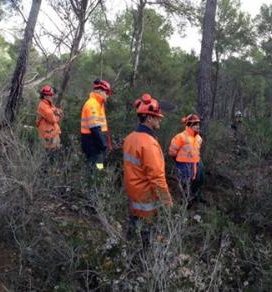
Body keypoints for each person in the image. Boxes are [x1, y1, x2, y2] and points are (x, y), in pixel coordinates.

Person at [122, 93, 173, 243]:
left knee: (132, 236)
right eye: (158, 117)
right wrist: (167, 203)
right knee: (146, 242)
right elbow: (157, 178)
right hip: (146, 203)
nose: (160, 120)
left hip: (133, 198)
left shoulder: (130, 138)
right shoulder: (148, 143)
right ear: (149, 118)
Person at [168, 113, 204, 204]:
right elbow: (172, 151)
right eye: (195, 124)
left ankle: (191, 199)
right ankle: (183, 203)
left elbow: (197, 151)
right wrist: (178, 161)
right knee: (184, 184)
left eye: (198, 124)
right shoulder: (180, 137)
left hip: (195, 164)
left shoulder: (199, 138)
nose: (197, 126)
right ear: (189, 125)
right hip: (183, 165)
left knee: (194, 181)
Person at [80, 79, 113, 172]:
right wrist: (104, 145)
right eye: (107, 93)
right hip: (93, 144)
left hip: (97, 144)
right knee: (93, 169)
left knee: (99, 167)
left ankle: (97, 181)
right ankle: (92, 184)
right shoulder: (92, 104)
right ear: (101, 91)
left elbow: (101, 127)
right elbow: (95, 128)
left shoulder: (99, 104)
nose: (107, 96)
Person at [35, 85, 63, 150]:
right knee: (50, 154)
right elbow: (53, 119)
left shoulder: (48, 104)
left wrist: (56, 111)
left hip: (52, 133)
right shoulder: (43, 106)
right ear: (45, 96)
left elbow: (57, 110)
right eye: (50, 95)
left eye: (52, 95)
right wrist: (57, 115)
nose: (52, 96)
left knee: (54, 153)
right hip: (48, 135)